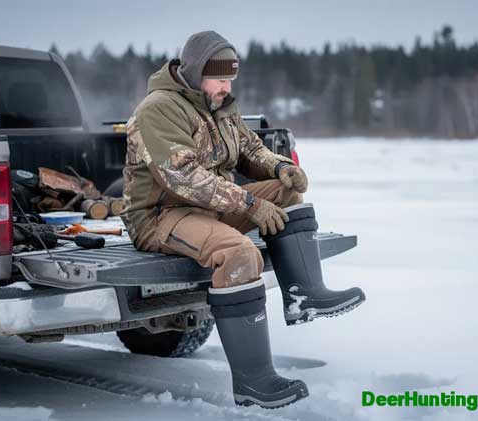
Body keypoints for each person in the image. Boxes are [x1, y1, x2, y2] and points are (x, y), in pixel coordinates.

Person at [120, 30, 365, 409]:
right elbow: (185, 179)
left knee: (287, 195)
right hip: (161, 216)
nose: (226, 85)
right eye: (220, 77)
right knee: (239, 254)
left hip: (211, 206)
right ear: (196, 71)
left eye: (231, 78)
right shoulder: (159, 108)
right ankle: (254, 381)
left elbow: (250, 147)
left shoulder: (219, 104)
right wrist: (250, 204)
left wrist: (280, 167)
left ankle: (305, 297)